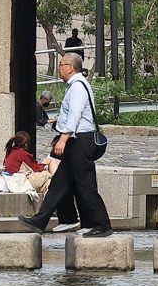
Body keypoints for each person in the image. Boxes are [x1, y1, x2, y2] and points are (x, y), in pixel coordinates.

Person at [18, 53, 112, 237]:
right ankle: (43, 220)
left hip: (80, 140)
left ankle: (102, 225)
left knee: (86, 185)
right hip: (76, 140)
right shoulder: (76, 85)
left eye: (61, 64)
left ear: (71, 67)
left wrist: (63, 138)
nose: (59, 68)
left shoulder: (77, 86)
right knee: (59, 183)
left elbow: (75, 114)